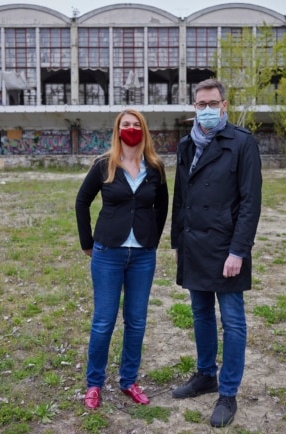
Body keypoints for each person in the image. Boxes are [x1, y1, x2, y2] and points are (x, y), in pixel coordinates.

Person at [170, 79, 262, 428]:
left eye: (212, 103)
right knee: (200, 313)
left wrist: (238, 250)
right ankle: (206, 374)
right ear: (194, 106)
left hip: (227, 248)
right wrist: (178, 242)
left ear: (224, 104)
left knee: (233, 321)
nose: (206, 110)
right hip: (194, 244)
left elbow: (250, 203)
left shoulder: (242, 142)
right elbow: (181, 199)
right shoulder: (185, 145)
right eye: (200, 104)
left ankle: (228, 392)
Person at [75, 109, 169, 409]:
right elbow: (81, 201)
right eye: (125, 124)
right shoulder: (104, 164)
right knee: (104, 321)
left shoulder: (155, 166)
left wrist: (153, 240)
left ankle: (129, 380)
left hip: (142, 255)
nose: (131, 128)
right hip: (108, 253)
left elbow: (162, 206)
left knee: (137, 321)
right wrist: (87, 243)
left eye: (136, 124)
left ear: (144, 129)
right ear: (117, 130)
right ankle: (94, 384)